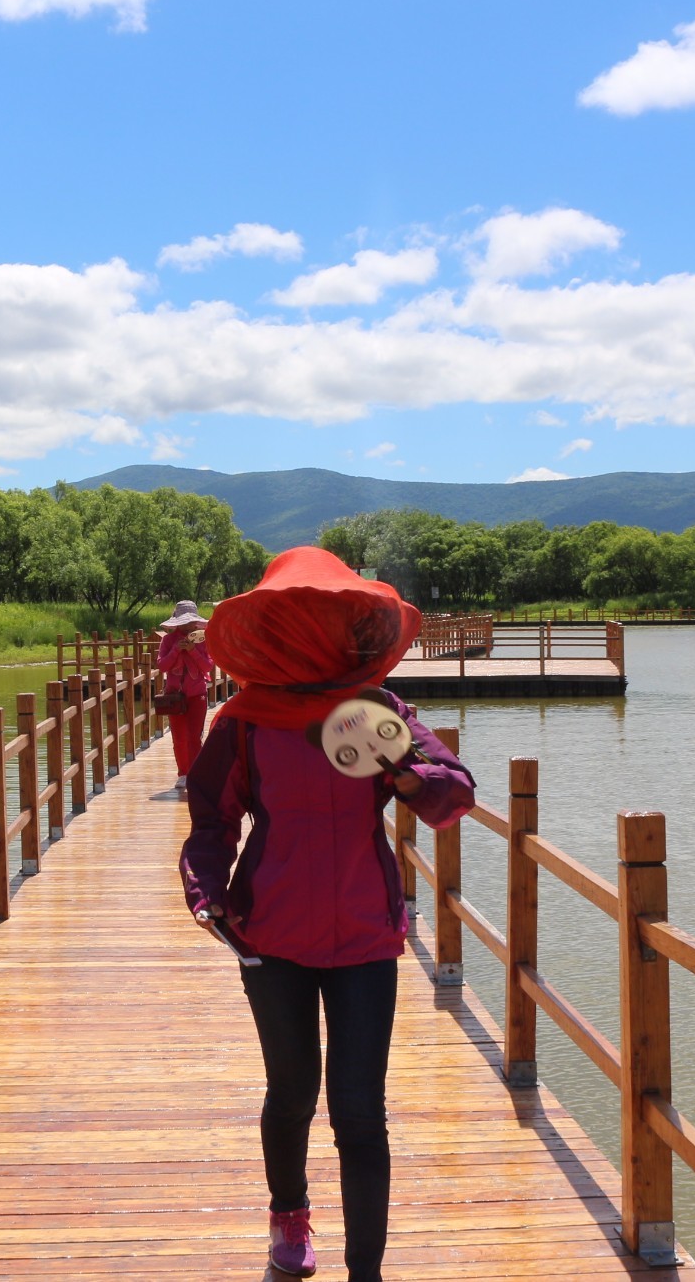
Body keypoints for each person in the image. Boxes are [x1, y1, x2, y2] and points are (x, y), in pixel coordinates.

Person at [178, 547, 475, 1282]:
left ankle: (365, 1272)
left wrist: (404, 770)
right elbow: (212, 819)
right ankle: (289, 1215)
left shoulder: (376, 712)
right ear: (276, 625)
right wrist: (209, 897)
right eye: (300, 616)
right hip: (271, 935)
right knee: (292, 1093)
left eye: (330, 616)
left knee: (359, 1112)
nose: (315, 629)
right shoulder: (245, 721)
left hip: (366, 937)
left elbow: (452, 793)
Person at [155, 599, 212, 792]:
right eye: (185, 622)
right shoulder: (168, 640)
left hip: (197, 694)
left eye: (191, 622)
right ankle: (183, 773)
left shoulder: (202, 639)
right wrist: (176, 650)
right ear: (177, 622)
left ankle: (197, 773)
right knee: (178, 737)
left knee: (194, 737)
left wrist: (193, 651)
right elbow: (162, 666)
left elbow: (208, 666)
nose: (188, 626)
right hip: (174, 696)